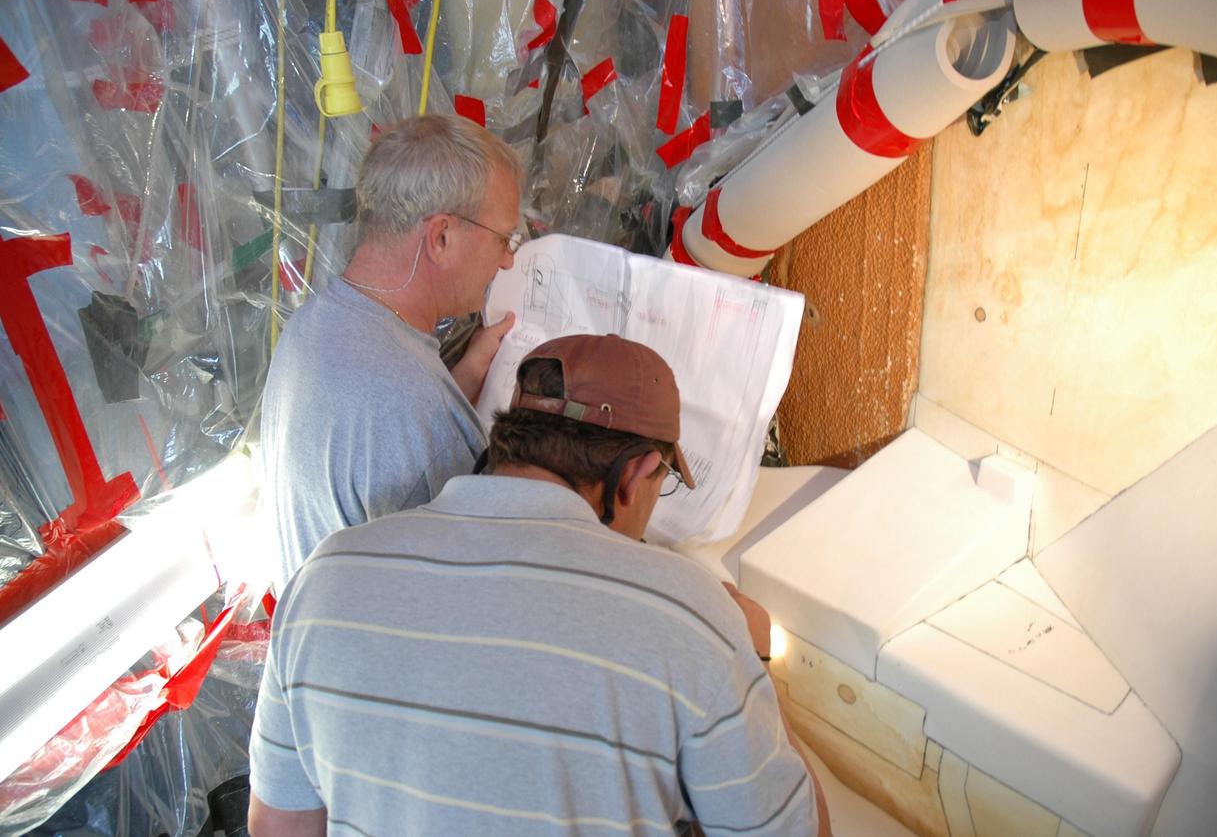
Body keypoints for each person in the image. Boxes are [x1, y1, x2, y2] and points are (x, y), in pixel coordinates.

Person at [248, 333, 832, 836]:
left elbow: (279, 826)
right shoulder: (691, 616)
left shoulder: (323, 582)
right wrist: (755, 660)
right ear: (635, 473)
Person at [259, 114, 524, 587]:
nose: (507, 259)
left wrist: (466, 373)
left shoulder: (316, 323)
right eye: (504, 239)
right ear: (441, 237)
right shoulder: (410, 409)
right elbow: (463, 594)